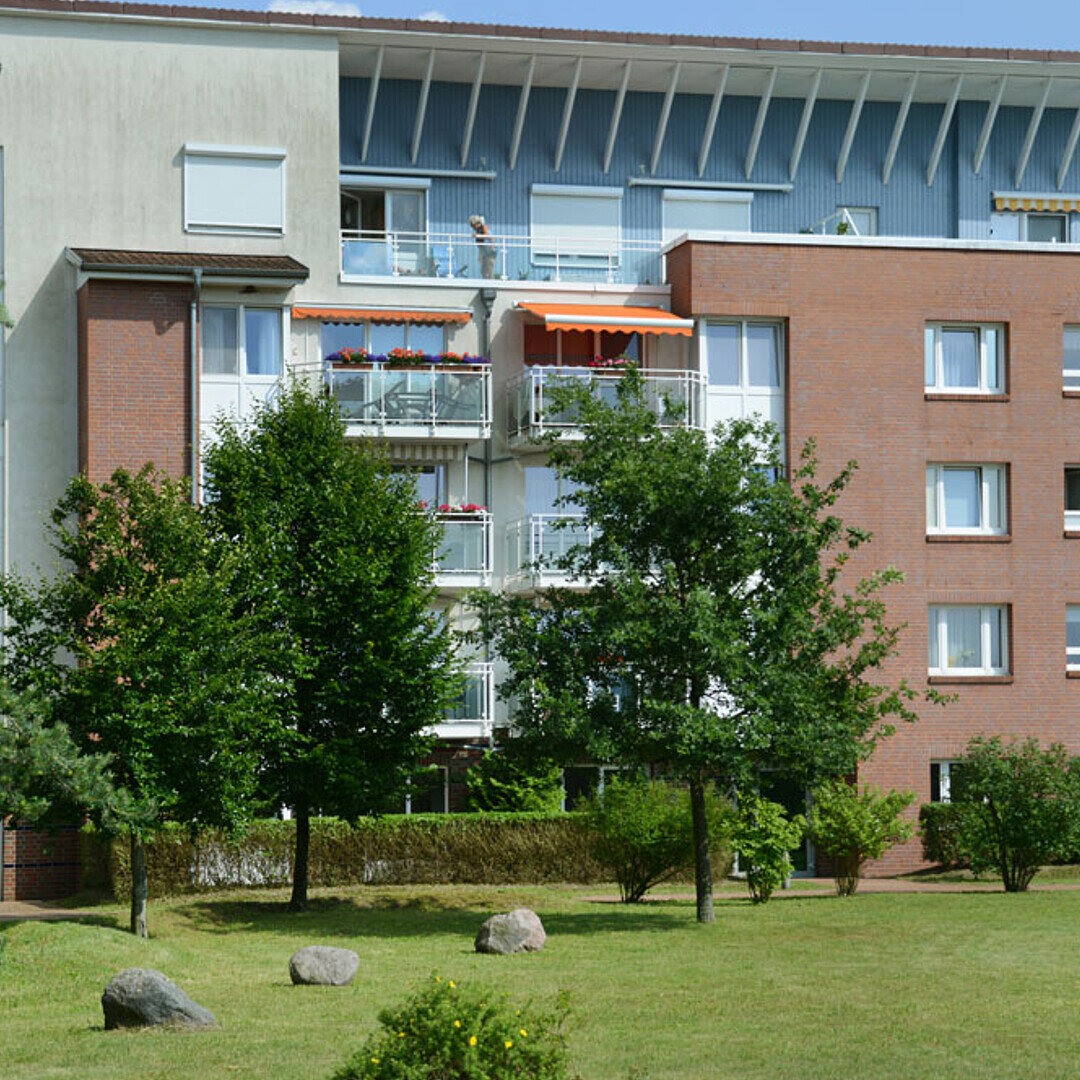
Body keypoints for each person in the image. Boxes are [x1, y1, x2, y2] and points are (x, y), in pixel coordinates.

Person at [468, 214, 497, 279]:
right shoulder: (479, 229)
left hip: (489, 251)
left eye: (472, 225)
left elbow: (487, 235)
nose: (471, 227)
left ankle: (490, 284)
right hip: (485, 251)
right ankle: (485, 283)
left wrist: (477, 235)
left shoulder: (483, 227)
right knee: (483, 270)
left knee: (489, 269)